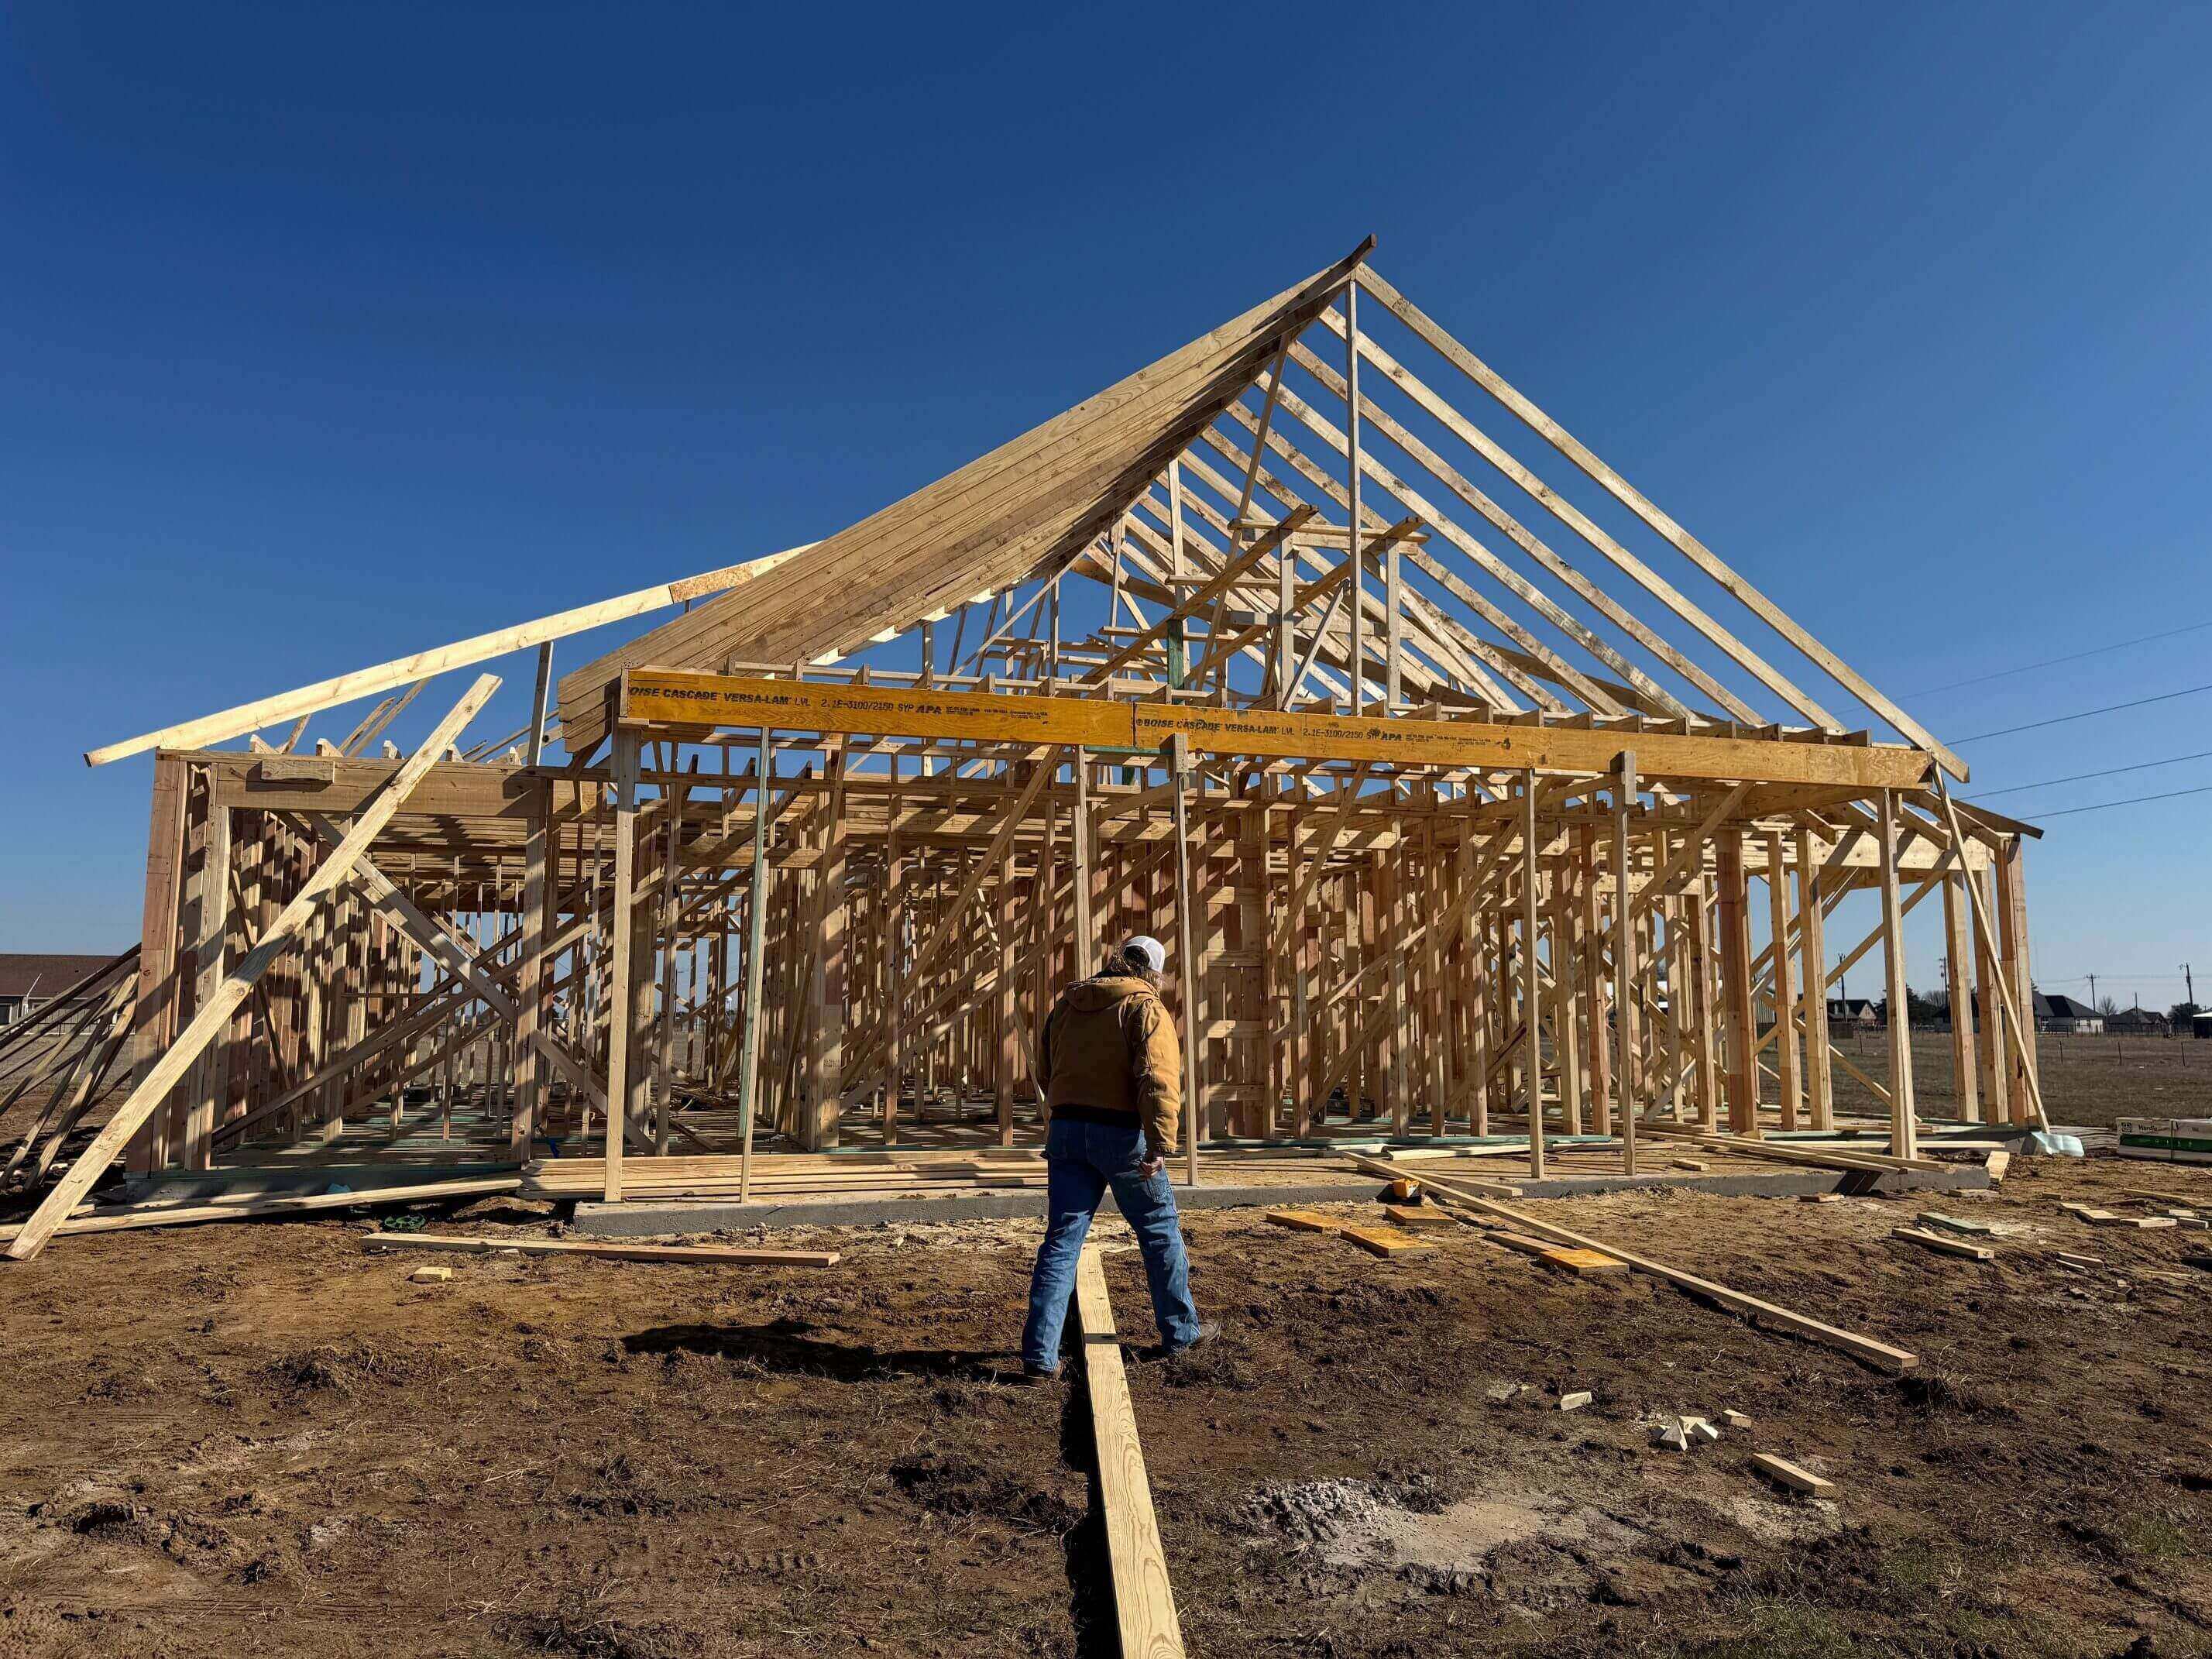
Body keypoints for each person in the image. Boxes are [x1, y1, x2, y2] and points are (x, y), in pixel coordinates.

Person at [1020, 935, 1211, 1379]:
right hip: (1122, 1136)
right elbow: (1158, 1079)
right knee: (1159, 1230)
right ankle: (1181, 1334)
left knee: (1062, 1240)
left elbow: (1046, 1070)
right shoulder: (1145, 1008)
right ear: (1153, 973)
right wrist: (1161, 1144)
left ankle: (1039, 1355)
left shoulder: (1068, 1003)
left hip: (1067, 1131)